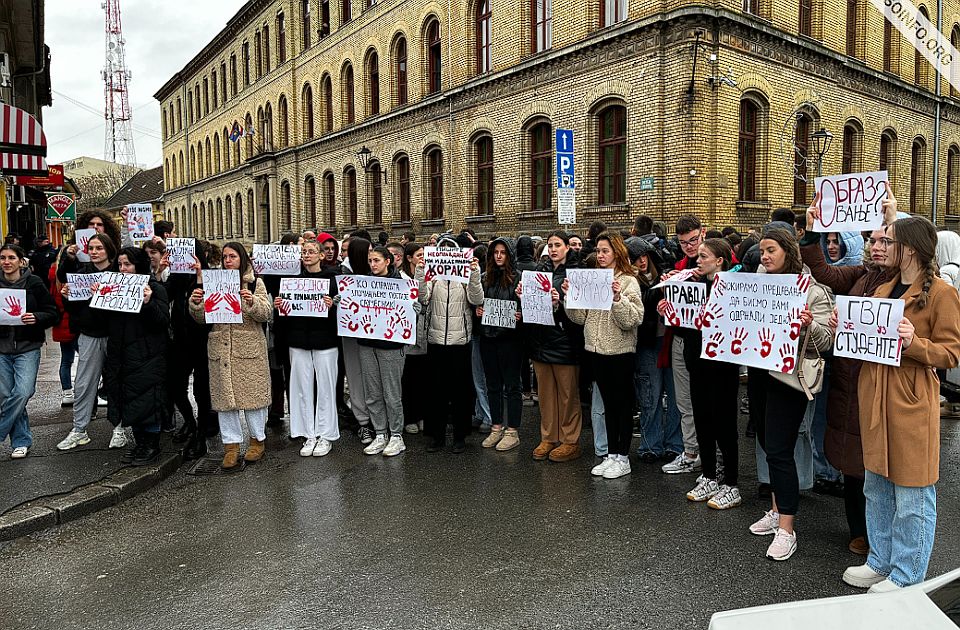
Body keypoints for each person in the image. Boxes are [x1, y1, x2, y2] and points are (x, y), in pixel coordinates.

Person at [842, 217, 960, 591]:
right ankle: (881, 560)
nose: (883, 246)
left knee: (912, 491)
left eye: (890, 241)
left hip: (909, 398)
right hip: (875, 394)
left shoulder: (942, 293)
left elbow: (951, 354)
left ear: (909, 249)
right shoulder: (883, 290)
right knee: (875, 485)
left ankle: (908, 575)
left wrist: (914, 344)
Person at [800, 192, 900, 556]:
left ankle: (883, 538)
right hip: (849, 381)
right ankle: (859, 530)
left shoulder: (903, 280)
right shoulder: (861, 274)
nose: (875, 246)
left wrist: (892, 218)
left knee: (879, 462)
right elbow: (824, 272)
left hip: (880, 384)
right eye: (872, 239)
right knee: (853, 461)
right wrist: (811, 232)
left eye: (884, 240)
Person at [747, 228, 833, 561]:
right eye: (762, 251)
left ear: (788, 252)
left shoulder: (812, 291)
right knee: (769, 444)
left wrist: (809, 325)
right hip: (759, 373)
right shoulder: (757, 287)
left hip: (789, 378)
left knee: (781, 449)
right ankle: (776, 509)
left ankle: (787, 529)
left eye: (771, 250)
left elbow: (826, 342)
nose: (765, 257)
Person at [661, 238, 742, 509]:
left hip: (723, 365)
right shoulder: (692, 286)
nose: (698, 260)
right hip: (696, 361)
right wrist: (670, 312)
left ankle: (730, 482)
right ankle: (709, 474)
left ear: (719, 261)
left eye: (704, 256)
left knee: (725, 422)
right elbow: (685, 328)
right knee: (702, 418)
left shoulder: (733, 288)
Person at [565, 231, 643, 479]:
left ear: (617, 252)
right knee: (608, 405)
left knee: (622, 405)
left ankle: (623, 457)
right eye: (598, 250)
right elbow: (580, 318)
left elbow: (632, 319)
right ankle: (611, 454)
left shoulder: (629, 281)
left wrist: (617, 298)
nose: (600, 255)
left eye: (605, 251)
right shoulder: (594, 278)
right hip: (596, 350)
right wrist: (570, 298)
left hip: (619, 352)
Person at [189, 242, 273, 471]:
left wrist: (252, 302)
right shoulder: (214, 282)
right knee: (225, 401)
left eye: (233, 256)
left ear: (242, 258)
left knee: (253, 399)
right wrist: (196, 304)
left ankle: (257, 440)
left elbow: (266, 313)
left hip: (247, 348)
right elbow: (202, 317)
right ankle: (231, 445)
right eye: (225, 256)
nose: (228, 260)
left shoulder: (255, 282)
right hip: (221, 347)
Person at [56, 233, 126, 450]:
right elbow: (73, 309)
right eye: (92, 248)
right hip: (89, 335)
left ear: (109, 250)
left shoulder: (118, 274)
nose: (95, 252)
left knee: (116, 382)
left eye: (99, 248)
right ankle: (79, 429)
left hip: (114, 335)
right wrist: (68, 297)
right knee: (84, 383)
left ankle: (119, 428)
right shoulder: (81, 273)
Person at [102, 247, 169, 465]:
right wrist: (97, 298)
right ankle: (140, 443)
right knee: (129, 398)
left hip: (147, 355)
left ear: (138, 265)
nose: (123, 269)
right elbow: (98, 323)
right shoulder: (112, 288)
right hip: (121, 355)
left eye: (128, 264)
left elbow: (162, 322)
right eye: (120, 265)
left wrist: (148, 303)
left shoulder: (155, 288)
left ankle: (151, 444)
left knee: (148, 399)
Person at [417, 235, 484, 452]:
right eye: (442, 251)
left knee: (460, 392)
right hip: (435, 340)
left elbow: (476, 299)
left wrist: (474, 274)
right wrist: (420, 273)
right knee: (436, 390)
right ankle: (436, 436)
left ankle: (459, 436)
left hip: (459, 341)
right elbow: (422, 297)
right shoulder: (432, 277)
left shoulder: (464, 277)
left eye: (449, 251)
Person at [273, 240, 338, 457]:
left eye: (311, 251)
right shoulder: (292, 281)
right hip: (298, 340)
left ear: (321, 256)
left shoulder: (332, 279)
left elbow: (344, 312)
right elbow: (286, 314)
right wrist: (281, 306)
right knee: (301, 388)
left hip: (326, 341)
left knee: (326, 389)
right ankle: (308, 433)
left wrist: (333, 307)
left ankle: (326, 435)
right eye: (304, 252)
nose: (307, 255)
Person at [525, 231, 584, 462]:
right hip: (541, 340)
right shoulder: (540, 271)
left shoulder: (576, 273)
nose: (552, 249)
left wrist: (560, 301)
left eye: (557, 245)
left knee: (568, 395)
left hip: (565, 341)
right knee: (546, 394)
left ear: (568, 247)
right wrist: (523, 295)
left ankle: (570, 440)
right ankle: (548, 436)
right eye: (550, 245)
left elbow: (579, 313)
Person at [625, 237, 681, 463]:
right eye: (635, 258)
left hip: (669, 340)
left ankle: (675, 444)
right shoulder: (629, 281)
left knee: (676, 397)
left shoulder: (666, 273)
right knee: (650, 395)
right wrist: (660, 290)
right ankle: (650, 444)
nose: (641, 262)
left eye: (644, 256)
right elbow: (641, 305)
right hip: (647, 343)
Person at [0, 244, 58, 459]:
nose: (6, 262)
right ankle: (21, 441)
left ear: (21, 261)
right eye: (3, 257)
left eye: (11, 257)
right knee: (7, 396)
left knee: (23, 392)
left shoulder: (33, 283)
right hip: (1, 348)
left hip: (28, 347)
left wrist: (37, 317)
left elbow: (52, 312)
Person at [660, 215, 704, 475]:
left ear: (703, 234)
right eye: (683, 242)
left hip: (707, 342)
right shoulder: (678, 265)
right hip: (680, 337)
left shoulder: (721, 263)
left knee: (706, 401)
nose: (689, 246)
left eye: (693, 240)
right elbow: (673, 305)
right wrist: (664, 302)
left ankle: (714, 457)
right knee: (684, 401)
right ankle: (690, 452)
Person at [166, 241, 217, 460]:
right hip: (180, 342)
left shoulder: (210, 277)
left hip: (203, 342)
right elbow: (162, 296)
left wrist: (199, 278)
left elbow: (215, 308)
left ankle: (201, 435)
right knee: (175, 386)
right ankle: (190, 421)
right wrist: (160, 272)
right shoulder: (176, 279)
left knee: (202, 391)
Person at [357, 246, 408, 456]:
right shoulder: (363, 284)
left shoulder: (401, 284)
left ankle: (396, 435)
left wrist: (413, 307)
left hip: (391, 346)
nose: (372, 264)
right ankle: (380, 433)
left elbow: (415, 305)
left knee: (392, 393)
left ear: (388, 261)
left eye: (376, 260)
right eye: (370, 261)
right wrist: (344, 302)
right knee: (372, 393)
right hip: (368, 343)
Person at [476, 237, 523, 452]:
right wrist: (478, 312)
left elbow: (527, 308)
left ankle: (512, 430)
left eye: (503, 252)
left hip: (511, 340)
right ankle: (496, 427)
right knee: (492, 384)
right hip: (488, 337)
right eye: (495, 252)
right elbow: (477, 302)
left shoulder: (518, 279)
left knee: (512, 386)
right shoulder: (485, 278)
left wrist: (520, 313)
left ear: (509, 255)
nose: (498, 256)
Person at [339, 237, 376, 443]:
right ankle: (363, 422)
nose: (372, 254)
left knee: (373, 379)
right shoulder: (345, 274)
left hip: (374, 335)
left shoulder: (377, 273)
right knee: (355, 377)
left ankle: (378, 419)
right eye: (368, 250)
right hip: (352, 335)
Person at [399, 242, 427, 434]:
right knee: (407, 379)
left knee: (423, 378)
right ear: (409, 258)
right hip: (407, 338)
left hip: (425, 336)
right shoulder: (400, 278)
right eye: (419, 255)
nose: (422, 259)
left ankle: (422, 414)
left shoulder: (427, 275)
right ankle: (409, 417)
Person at [49, 248, 78, 407]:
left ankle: (67, 392)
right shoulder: (69, 274)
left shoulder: (53, 273)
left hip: (60, 321)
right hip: (71, 320)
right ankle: (85, 391)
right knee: (87, 360)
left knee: (66, 360)